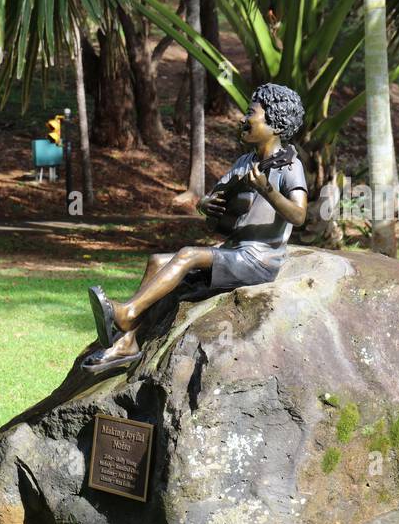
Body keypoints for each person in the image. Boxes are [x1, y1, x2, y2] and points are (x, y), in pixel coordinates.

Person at [86, 83, 309, 366]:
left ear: (275, 123)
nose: (244, 118)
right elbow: (214, 198)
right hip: (233, 249)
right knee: (157, 261)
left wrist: (268, 190)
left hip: (259, 259)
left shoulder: (289, 166)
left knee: (188, 255)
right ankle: (128, 343)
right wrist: (205, 204)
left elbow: (299, 216)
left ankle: (128, 314)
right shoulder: (244, 162)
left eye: (251, 113)